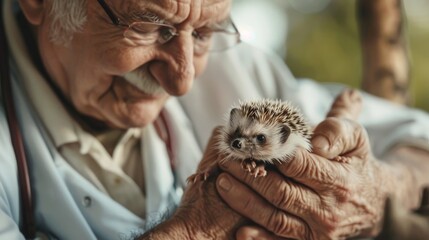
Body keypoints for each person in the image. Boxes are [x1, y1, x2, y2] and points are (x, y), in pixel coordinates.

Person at [1, 0, 429, 239]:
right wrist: (194, 231)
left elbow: (419, 142)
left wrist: (375, 191)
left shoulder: (237, 68)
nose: (184, 80)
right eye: (149, 28)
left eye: (205, 33)